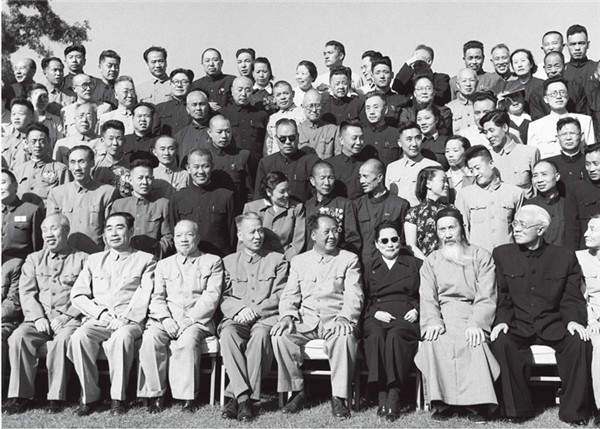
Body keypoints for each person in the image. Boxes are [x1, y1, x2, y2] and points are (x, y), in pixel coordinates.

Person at [490, 205, 592, 425]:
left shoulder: (564, 256)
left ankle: (574, 413)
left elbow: (571, 297)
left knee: (579, 342)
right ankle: (516, 410)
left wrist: (573, 321)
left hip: (553, 324)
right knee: (501, 341)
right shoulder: (502, 254)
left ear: (541, 229)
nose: (516, 229)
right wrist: (502, 321)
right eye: (515, 223)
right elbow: (502, 295)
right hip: (518, 324)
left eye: (523, 225)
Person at [271, 214, 363, 419]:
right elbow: (290, 294)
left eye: (335, 231)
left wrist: (345, 317)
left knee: (345, 337)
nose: (332, 236)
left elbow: (354, 294)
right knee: (280, 336)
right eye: (326, 232)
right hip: (307, 321)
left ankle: (339, 397)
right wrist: (287, 316)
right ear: (313, 235)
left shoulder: (348, 259)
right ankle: (297, 391)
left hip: (335, 320)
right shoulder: (299, 261)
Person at [415, 208, 499, 422]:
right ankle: (442, 403)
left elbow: (487, 294)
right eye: (442, 229)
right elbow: (427, 296)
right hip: (442, 314)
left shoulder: (481, 256)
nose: (447, 234)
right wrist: (433, 320)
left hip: (472, 312)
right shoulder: (431, 260)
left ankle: (477, 404)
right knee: (435, 341)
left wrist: (477, 322)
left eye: (451, 227)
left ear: (462, 228)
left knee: (474, 341)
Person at [68, 212, 156, 416]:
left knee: (121, 337)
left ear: (131, 231)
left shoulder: (146, 260)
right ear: (104, 235)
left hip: (130, 322)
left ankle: (118, 398)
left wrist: (125, 318)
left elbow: (145, 292)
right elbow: (77, 295)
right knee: (79, 337)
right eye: (109, 229)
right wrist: (100, 314)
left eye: (119, 227)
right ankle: (89, 397)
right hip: (100, 320)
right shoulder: (94, 260)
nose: (114, 233)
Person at [4, 214, 87, 414]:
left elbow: (88, 294)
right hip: (38, 319)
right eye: (44, 230)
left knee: (62, 340)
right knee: (18, 337)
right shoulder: (34, 259)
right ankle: (20, 396)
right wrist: (38, 317)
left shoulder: (83, 259)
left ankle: (55, 397)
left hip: (69, 319)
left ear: (66, 231)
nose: (48, 234)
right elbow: (27, 293)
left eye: (54, 229)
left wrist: (67, 316)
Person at [137, 219, 223, 413]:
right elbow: (157, 297)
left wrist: (189, 320)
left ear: (198, 238)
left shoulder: (213, 261)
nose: (184, 240)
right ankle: (156, 394)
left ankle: (186, 397)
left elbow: (211, 297)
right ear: (174, 239)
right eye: (178, 236)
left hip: (198, 320)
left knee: (187, 340)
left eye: (189, 235)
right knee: (150, 339)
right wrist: (165, 319)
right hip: (166, 319)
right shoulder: (163, 265)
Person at [219, 213, 288, 421]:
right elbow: (222, 296)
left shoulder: (278, 260)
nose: (258, 236)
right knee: (228, 334)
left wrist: (256, 311)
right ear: (240, 235)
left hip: (265, 317)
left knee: (260, 336)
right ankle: (245, 399)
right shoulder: (228, 262)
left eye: (260, 231)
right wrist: (239, 309)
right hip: (237, 317)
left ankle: (238, 398)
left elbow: (281, 294)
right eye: (252, 232)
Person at [362, 221, 421, 421]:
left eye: (394, 239)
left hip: (405, 316)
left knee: (396, 336)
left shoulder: (415, 264)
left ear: (400, 241)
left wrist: (417, 310)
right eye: (384, 240)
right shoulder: (369, 267)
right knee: (375, 336)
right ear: (377, 244)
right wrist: (375, 312)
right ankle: (381, 393)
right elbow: (362, 299)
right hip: (377, 315)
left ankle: (394, 394)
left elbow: (428, 295)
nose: (390, 244)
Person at [47, 145, 118, 254]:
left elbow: (111, 231)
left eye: (82, 162)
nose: (77, 168)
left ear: (92, 163)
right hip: (66, 257)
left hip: (96, 255)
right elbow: (50, 231)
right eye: (72, 162)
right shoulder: (57, 194)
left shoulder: (107, 192)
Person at [455, 145, 524, 253]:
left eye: (478, 168)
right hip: (478, 257)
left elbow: (521, 228)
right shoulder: (465, 195)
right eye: (471, 170)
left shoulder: (515, 193)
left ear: (491, 164)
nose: (475, 174)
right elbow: (462, 229)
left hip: (508, 255)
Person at [170, 149, 235, 257]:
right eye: (196, 167)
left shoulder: (226, 196)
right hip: (188, 258)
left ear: (212, 167)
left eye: (205, 166)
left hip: (219, 257)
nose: (201, 171)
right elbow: (174, 232)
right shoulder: (178, 198)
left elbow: (232, 233)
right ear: (188, 168)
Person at [111, 159, 173, 258]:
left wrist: (155, 253)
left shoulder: (163, 204)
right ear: (130, 180)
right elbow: (110, 234)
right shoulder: (119, 205)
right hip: (124, 259)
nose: (145, 182)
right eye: (140, 178)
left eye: (148, 178)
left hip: (152, 260)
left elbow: (168, 236)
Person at [355, 158, 410, 265]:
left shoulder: (400, 205)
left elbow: (404, 241)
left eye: (365, 176)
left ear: (380, 177)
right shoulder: (357, 205)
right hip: (364, 265)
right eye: (360, 177)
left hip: (390, 265)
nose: (361, 181)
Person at [244, 171, 305, 261]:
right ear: (269, 192)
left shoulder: (297, 208)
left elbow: (298, 242)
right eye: (282, 192)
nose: (287, 195)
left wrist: (283, 261)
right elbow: (244, 241)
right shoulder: (251, 208)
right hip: (257, 262)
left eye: (288, 190)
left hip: (285, 261)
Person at [528, 77, 595, 159]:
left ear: (568, 96)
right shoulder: (535, 126)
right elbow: (532, 157)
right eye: (553, 93)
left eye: (562, 92)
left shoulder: (585, 121)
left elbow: (592, 153)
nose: (559, 96)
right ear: (545, 99)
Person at [254, 118, 319, 202]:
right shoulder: (266, 163)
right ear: (276, 139)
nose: (287, 142)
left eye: (292, 138)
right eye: (283, 139)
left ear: (298, 137)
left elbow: (318, 195)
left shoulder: (311, 162)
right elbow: (259, 198)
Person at [304, 161, 360, 253]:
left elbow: (353, 238)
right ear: (312, 181)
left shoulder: (345, 204)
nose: (327, 183)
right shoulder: (307, 206)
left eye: (330, 178)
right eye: (322, 178)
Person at [481, 110, 539, 198]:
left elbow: (537, 187)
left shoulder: (530, 152)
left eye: (491, 130)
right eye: (485, 132)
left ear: (505, 127)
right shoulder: (487, 157)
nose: (488, 136)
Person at [577, 215, 600, 427]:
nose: (585, 234)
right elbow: (578, 298)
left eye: (592, 229)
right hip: (592, 320)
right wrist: (592, 320)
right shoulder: (579, 259)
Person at [13, 122, 69, 209]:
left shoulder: (60, 169)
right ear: (27, 143)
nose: (38, 145)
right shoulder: (18, 170)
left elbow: (66, 199)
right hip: (23, 215)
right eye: (33, 141)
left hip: (48, 215)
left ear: (48, 142)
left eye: (42, 141)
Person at [385, 122, 441, 207]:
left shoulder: (434, 167)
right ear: (399, 143)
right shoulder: (392, 168)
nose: (414, 144)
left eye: (418, 138)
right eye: (409, 139)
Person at [219, 76, 269, 170]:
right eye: (240, 89)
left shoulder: (261, 115)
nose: (243, 94)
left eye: (248, 90)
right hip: (231, 166)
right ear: (232, 91)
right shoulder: (222, 114)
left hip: (255, 166)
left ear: (252, 92)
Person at [204, 115, 252, 212]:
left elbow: (250, 191)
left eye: (227, 131)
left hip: (237, 211)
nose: (224, 136)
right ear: (209, 132)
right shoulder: (203, 156)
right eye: (219, 132)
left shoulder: (243, 156)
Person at [404, 166, 450, 260]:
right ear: (428, 184)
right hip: (425, 264)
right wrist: (428, 262)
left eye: (447, 181)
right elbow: (411, 246)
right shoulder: (414, 213)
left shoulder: (450, 210)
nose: (446, 185)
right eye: (443, 180)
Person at [529, 51, 589, 120]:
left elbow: (582, 116)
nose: (553, 71)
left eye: (557, 66)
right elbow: (537, 120)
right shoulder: (537, 93)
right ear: (544, 69)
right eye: (549, 67)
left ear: (565, 66)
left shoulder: (576, 88)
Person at [328, 119, 378, 200]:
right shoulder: (329, 165)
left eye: (361, 138)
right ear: (341, 140)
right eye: (354, 138)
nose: (359, 142)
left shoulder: (368, 165)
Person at [1, 169, 43, 260]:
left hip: (22, 264)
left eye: (3, 183)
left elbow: (38, 249)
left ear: (15, 185)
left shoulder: (31, 211)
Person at [565, 143, 600, 250]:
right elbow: (571, 227)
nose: (591, 169)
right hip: (587, 251)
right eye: (587, 164)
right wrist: (571, 255)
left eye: (596, 164)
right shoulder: (576, 189)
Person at [524, 160, 565, 246]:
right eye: (535, 176)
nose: (539, 180)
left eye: (544, 174)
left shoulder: (568, 204)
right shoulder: (529, 206)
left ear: (557, 176)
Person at [546, 117, 589, 191]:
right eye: (564, 134)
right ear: (557, 138)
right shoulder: (549, 164)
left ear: (581, 136)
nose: (568, 138)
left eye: (572, 133)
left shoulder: (589, 161)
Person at [264, 81, 305, 156]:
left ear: (293, 94)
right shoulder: (272, 118)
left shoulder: (303, 113)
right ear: (274, 98)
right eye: (278, 95)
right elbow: (268, 146)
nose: (282, 97)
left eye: (286, 93)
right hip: (277, 160)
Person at [297, 89, 338, 160]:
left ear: (323, 106)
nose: (314, 110)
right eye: (310, 106)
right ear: (302, 107)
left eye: (317, 105)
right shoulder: (297, 130)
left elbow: (339, 157)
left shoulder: (333, 130)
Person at [174, 89, 212, 165]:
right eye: (194, 105)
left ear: (208, 106)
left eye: (202, 104)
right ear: (187, 109)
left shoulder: (217, 132)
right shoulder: (180, 136)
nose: (198, 108)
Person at [92, 120, 131, 194]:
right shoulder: (95, 165)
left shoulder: (130, 167)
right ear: (102, 140)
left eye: (119, 138)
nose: (115, 143)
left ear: (124, 141)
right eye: (111, 138)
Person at [368, 56, 409, 127]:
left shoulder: (402, 101)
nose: (382, 76)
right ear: (372, 76)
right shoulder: (365, 100)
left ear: (392, 75)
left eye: (386, 72)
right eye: (378, 73)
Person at [362, 93, 400, 167]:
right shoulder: (360, 134)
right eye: (368, 108)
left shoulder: (396, 134)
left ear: (385, 110)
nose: (371, 112)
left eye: (376, 107)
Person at [154, 68, 194, 136]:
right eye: (176, 82)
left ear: (190, 84)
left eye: (184, 82)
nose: (179, 85)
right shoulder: (159, 108)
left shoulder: (195, 108)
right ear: (171, 84)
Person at [563, 24, 598, 98]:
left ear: (588, 44)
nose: (577, 48)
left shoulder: (596, 68)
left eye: (581, 43)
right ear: (567, 46)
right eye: (573, 44)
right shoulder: (562, 71)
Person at [27, 83, 64, 149]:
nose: (43, 100)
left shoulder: (56, 120)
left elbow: (60, 143)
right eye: (39, 96)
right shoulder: (26, 119)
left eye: (45, 96)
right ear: (29, 100)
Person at [2, 98, 34, 170]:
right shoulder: (4, 141)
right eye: (13, 114)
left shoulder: (36, 142)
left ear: (31, 117)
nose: (16, 117)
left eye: (21, 114)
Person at [446, 68, 478, 135]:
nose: (468, 84)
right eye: (464, 81)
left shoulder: (483, 105)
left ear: (477, 83)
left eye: (472, 80)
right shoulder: (450, 107)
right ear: (458, 85)